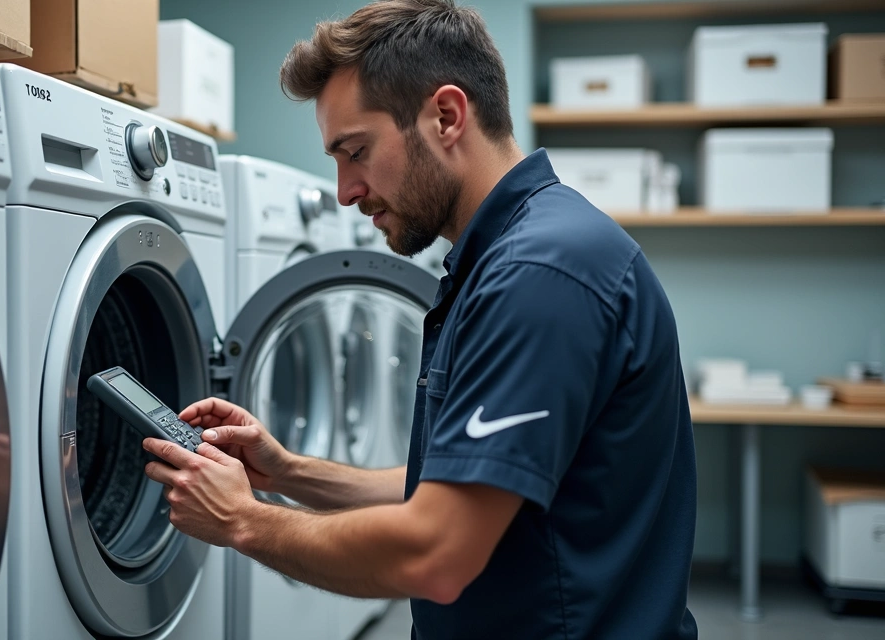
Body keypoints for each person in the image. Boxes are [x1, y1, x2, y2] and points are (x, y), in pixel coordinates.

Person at [141, 1, 698, 637]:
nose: (346, 189)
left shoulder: (540, 275)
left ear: (447, 116)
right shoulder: (506, 257)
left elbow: (437, 551)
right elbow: (458, 483)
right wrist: (289, 472)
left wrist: (243, 520)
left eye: (355, 151)